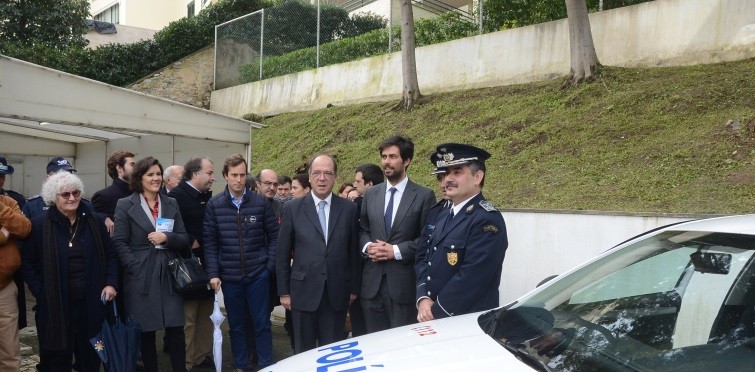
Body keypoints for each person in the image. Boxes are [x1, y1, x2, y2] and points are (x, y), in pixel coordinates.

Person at [22, 171, 117, 372]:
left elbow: (111, 256)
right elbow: (29, 264)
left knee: (90, 354)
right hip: (55, 306)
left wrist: (110, 283)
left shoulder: (96, 221)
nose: (72, 198)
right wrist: (41, 292)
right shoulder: (39, 224)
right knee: (56, 358)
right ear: (53, 197)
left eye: (76, 192)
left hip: (91, 304)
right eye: (65, 194)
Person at [112, 156, 190, 372]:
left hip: (169, 272)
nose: (156, 178)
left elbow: (184, 237)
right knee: (145, 331)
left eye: (158, 174)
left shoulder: (171, 203)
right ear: (139, 178)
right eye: (150, 174)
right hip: (141, 274)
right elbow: (119, 241)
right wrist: (134, 267)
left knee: (176, 328)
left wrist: (167, 238)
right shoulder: (125, 204)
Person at [416, 143, 508, 322]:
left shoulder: (486, 219)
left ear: (477, 177)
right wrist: (423, 298)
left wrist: (436, 312)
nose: (448, 179)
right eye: (447, 172)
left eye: (457, 172)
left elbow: (473, 277)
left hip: (465, 321)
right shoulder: (443, 215)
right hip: (434, 315)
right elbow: (426, 259)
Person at [277, 154, 359, 353]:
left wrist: (354, 289)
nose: (322, 178)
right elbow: (282, 252)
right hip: (302, 293)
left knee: (332, 352)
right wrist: (284, 292)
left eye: (328, 173)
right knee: (303, 353)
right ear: (310, 176)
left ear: (335, 176)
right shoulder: (292, 208)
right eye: (317, 173)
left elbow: (353, 252)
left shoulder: (349, 209)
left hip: (336, 293)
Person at [204, 154, 279, 371]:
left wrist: (269, 267)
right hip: (230, 276)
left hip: (258, 274)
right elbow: (210, 242)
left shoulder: (260, 203)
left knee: (262, 323)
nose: (238, 180)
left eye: (242, 175)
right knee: (236, 325)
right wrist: (213, 273)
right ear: (225, 176)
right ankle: (241, 364)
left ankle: (266, 363)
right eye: (234, 175)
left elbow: (274, 236)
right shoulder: (214, 205)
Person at [359, 136, 435, 333]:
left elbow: (428, 239)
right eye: (384, 156)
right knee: (374, 346)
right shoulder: (370, 194)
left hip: (403, 288)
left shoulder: (424, 196)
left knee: (400, 346)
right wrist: (368, 247)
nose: (386, 161)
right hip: (371, 287)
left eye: (393, 156)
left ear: (407, 160)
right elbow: (363, 230)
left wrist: (396, 251)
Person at [168, 157, 215, 370]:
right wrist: (189, 240)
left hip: (208, 266)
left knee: (206, 316)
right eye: (209, 173)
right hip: (186, 268)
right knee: (188, 319)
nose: (213, 178)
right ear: (195, 174)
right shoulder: (175, 197)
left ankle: (201, 356)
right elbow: (166, 230)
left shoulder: (208, 197)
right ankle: (186, 362)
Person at [348, 163, 384, 338]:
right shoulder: (357, 204)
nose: (355, 185)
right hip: (363, 280)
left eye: (358, 182)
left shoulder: (360, 205)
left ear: (369, 184)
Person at [0, 194, 30, 371]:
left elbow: (25, 228)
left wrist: (2, 210)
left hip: (4, 287)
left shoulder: (8, 202)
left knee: (9, 349)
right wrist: (4, 235)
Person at [92, 150, 135, 236]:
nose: (136, 168)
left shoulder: (139, 193)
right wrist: (103, 217)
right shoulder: (103, 196)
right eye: (132, 165)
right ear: (119, 168)